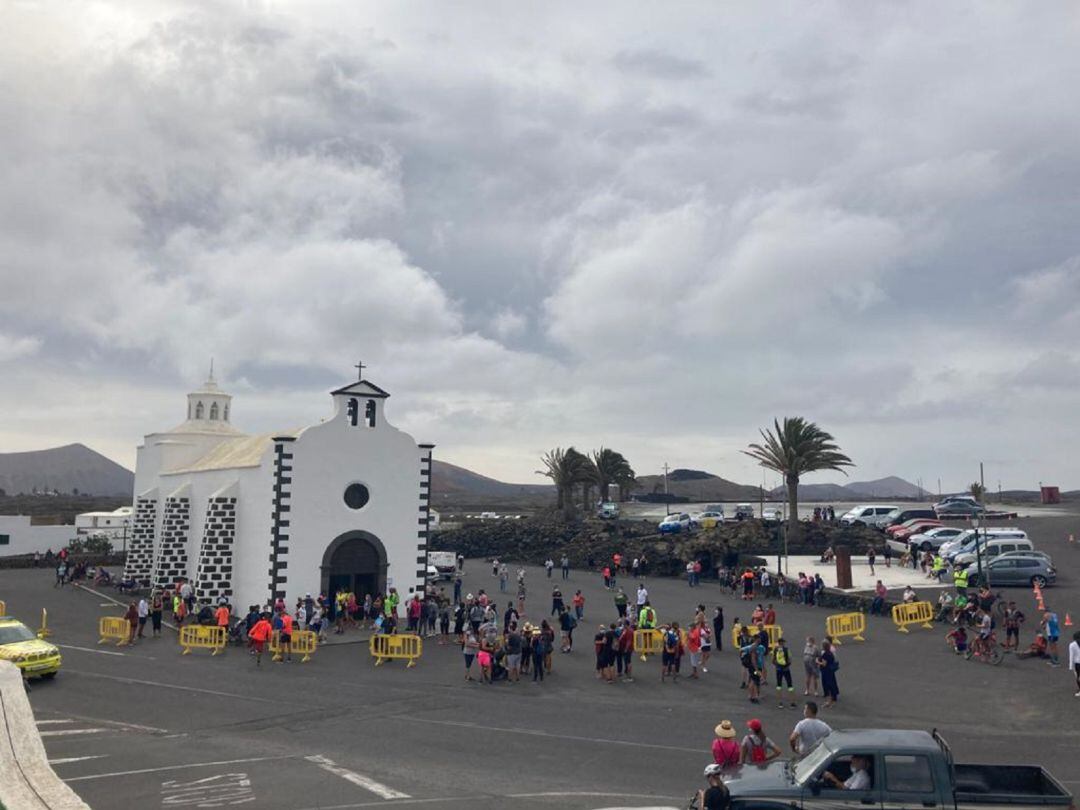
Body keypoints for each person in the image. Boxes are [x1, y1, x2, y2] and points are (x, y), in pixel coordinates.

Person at [772, 637, 796, 708]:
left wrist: (777, 665)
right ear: (782, 642)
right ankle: (792, 702)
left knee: (779, 686)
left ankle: (780, 703)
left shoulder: (776, 650)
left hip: (778, 669)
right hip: (786, 669)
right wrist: (786, 666)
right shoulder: (786, 650)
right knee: (790, 686)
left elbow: (773, 660)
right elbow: (789, 660)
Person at [818, 640, 839, 707]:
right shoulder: (830, 653)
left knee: (828, 686)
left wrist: (817, 662)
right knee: (832, 684)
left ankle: (829, 702)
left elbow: (824, 664)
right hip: (830, 671)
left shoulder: (825, 654)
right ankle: (833, 698)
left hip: (826, 672)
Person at [1068, 630, 1080, 698]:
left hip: (1077, 663)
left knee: (1078, 677)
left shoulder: (1072, 645)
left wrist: (1071, 666)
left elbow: (1071, 656)